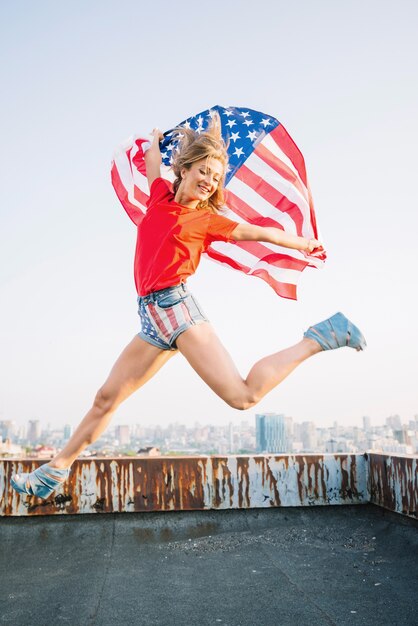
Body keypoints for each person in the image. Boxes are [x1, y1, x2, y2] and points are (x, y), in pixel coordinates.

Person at [11, 115, 366, 499]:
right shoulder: (161, 196)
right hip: (151, 320)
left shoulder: (206, 219)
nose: (210, 181)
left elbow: (259, 233)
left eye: (216, 177)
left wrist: (303, 244)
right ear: (184, 169)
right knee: (106, 398)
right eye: (204, 171)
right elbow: (151, 164)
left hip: (178, 310)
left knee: (243, 396)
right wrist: (155, 141)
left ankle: (319, 337)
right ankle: (55, 472)